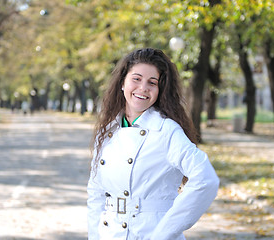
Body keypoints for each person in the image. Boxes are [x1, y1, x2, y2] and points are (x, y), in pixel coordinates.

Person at [87, 48, 219, 240]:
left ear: (160, 90)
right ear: (123, 82)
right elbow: (96, 192)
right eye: (136, 79)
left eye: (152, 83)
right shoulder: (108, 131)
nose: (143, 88)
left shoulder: (166, 130)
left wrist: (164, 232)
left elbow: (206, 179)